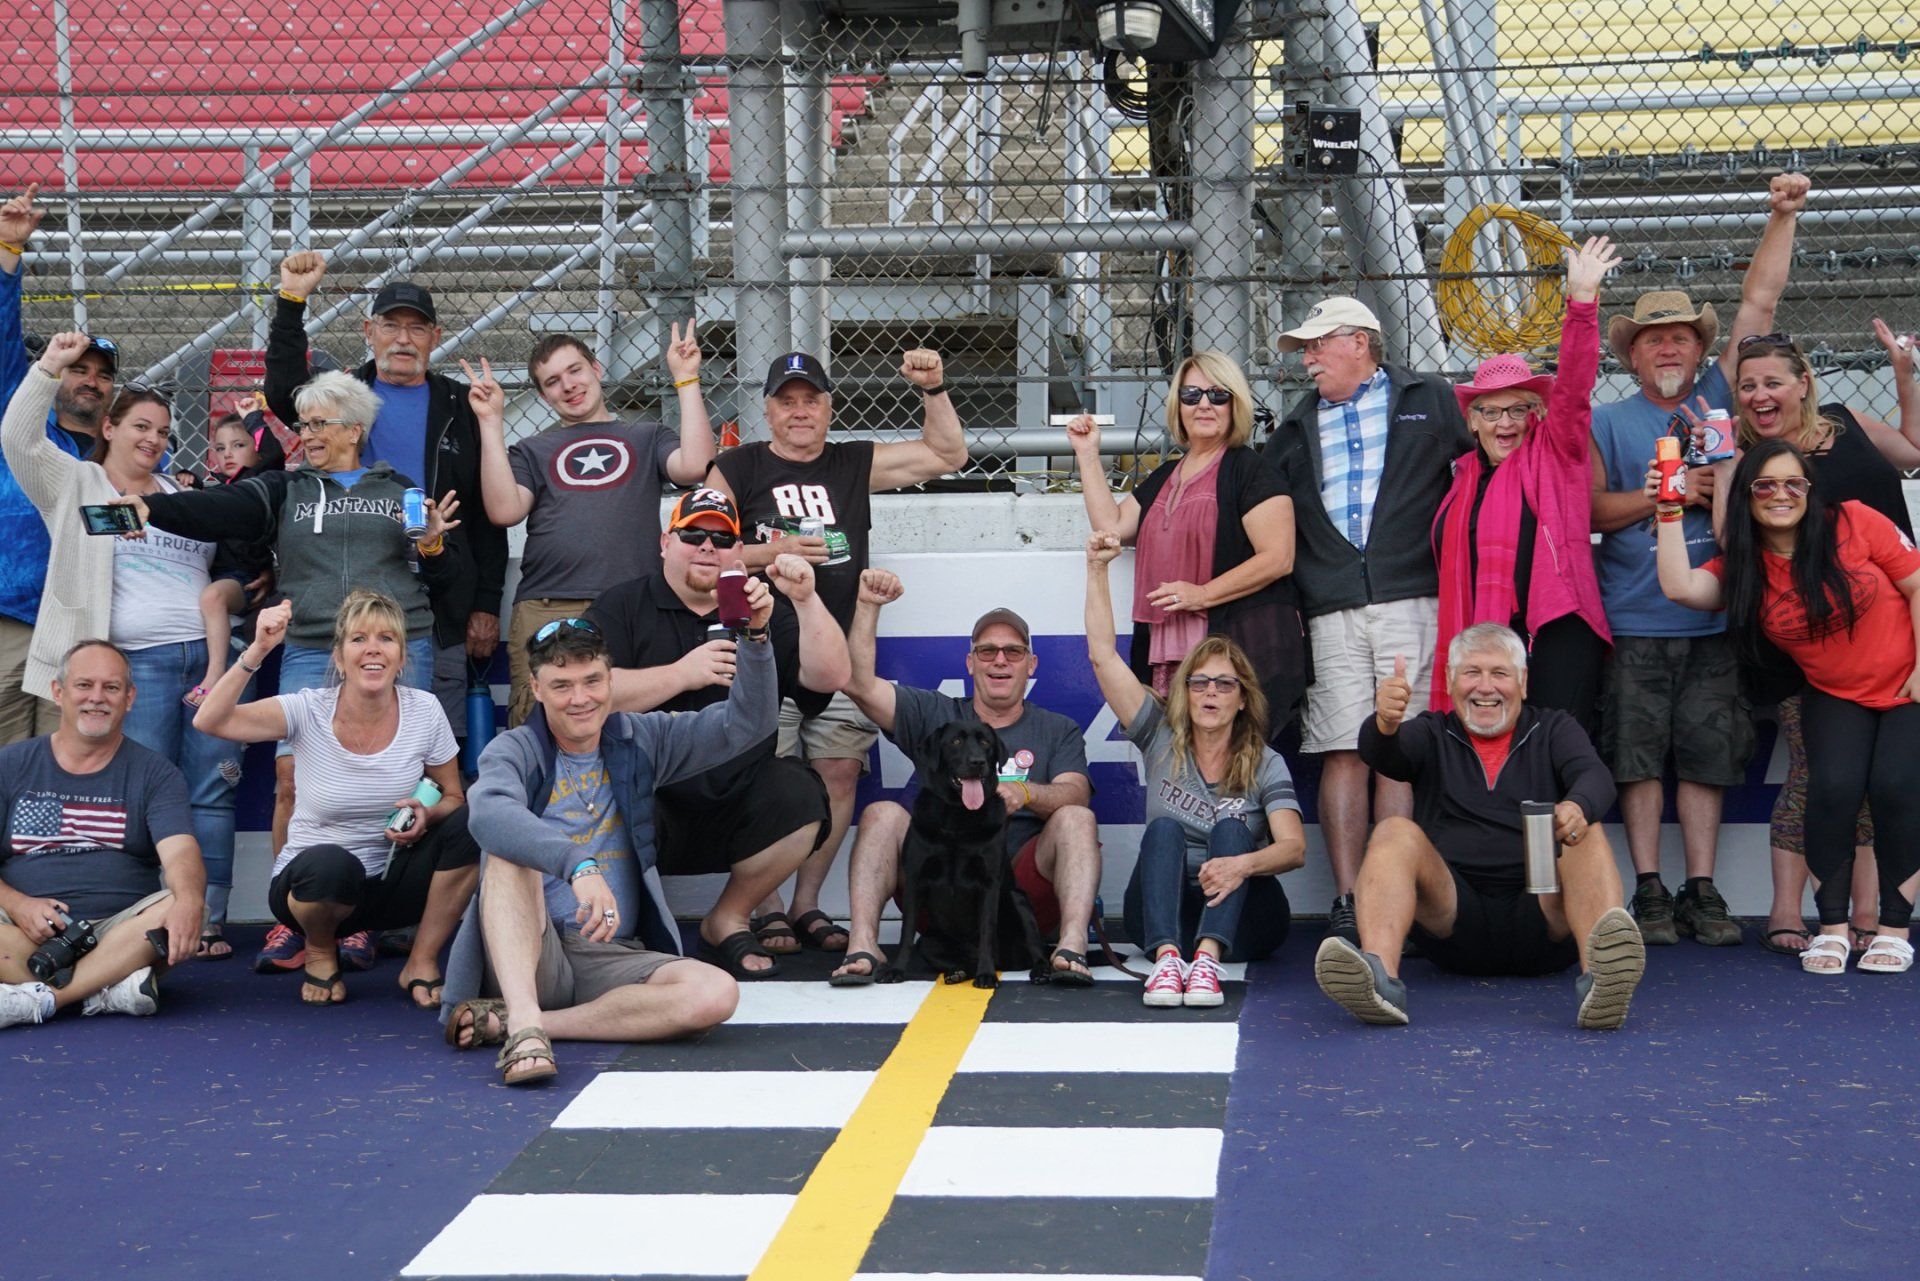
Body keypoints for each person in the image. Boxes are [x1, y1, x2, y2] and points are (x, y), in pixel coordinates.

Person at [126, 370, 463, 970]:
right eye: (303, 424)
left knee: (413, 778)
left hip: (397, 639)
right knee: (290, 783)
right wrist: (152, 507)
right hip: (312, 644)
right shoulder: (286, 487)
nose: (308, 434)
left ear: (355, 429)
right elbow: (219, 507)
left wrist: (433, 545)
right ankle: (299, 911)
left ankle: (364, 913)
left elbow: (442, 577)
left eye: (320, 424)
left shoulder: (401, 488)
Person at [1588, 172, 1810, 948]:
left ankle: (1704, 887)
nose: (1670, 346)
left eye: (1681, 335)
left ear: (1698, 346)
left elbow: (1760, 306)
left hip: (1716, 612)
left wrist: (1781, 215)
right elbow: (1591, 511)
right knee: (1639, 755)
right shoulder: (1607, 420)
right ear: (1633, 354)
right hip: (1635, 615)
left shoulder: (1719, 392)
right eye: (1655, 338)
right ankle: (1650, 886)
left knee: (1708, 756)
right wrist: (1664, 494)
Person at [441, 592, 782, 1085]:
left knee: (715, 994)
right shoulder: (512, 748)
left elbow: (748, 724)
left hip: (611, 954)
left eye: (592, 681)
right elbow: (489, 815)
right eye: (562, 686)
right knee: (509, 853)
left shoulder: (639, 738)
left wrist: (756, 638)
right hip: (532, 951)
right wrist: (578, 866)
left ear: (610, 680)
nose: (580, 699)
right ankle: (525, 1022)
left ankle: (527, 1022)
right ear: (535, 688)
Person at [707, 349, 969, 956]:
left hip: (840, 656)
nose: (800, 412)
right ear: (767, 411)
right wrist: (771, 551)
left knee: (839, 772)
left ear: (829, 408)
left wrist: (933, 388)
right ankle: (762, 906)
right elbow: (692, 550)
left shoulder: (852, 461)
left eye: (811, 400)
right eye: (786, 401)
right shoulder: (738, 466)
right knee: (765, 778)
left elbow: (948, 455)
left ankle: (805, 904)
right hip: (762, 653)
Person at [2, 332, 246, 961]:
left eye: (163, 431)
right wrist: (50, 367)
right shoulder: (75, 483)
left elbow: (226, 568)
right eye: (141, 426)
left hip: (206, 657)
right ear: (107, 427)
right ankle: (138, 921)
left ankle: (207, 921)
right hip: (134, 667)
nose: (153, 440)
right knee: (139, 797)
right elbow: (19, 442)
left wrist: (231, 596)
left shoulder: (183, 492)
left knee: (213, 788)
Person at [1653, 438, 1920, 976]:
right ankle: (1833, 931)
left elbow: (1918, 584)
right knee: (1833, 790)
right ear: (1748, 498)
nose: (1781, 494)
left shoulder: (1855, 522)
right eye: (1765, 485)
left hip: (1907, 684)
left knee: (1894, 787)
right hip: (1836, 693)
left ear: (1810, 490)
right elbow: (1681, 587)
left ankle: (1894, 929)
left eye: (1793, 483)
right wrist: (1668, 507)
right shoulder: (1746, 567)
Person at [1697, 327, 1920, 954]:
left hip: (1882, 627)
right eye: (1747, 387)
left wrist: (1904, 374)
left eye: (1772, 382)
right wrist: (1722, 465)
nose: (1760, 395)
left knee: (1881, 781)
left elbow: (1913, 450)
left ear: (1803, 384)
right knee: (1818, 778)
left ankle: (1870, 913)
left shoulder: (1845, 423)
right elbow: (1726, 547)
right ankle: (1790, 913)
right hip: (1796, 642)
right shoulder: (1742, 457)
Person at [1258, 295, 1471, 944]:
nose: (1308, 359)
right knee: (1341, 753)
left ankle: (1396, 891)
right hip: (1330, 609)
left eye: (1318, 345)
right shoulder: (1292, 430)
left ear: (1359, 341)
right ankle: (1351, 899)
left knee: (1401, 750)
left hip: (1414, 597)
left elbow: (1481, 472)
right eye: (1305, 349)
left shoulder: (1431, 398)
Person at [1314, 623, 1646, 1029]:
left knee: (1585, 831)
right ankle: (1380, 980)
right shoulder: (1432, 731)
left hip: (1545, 920)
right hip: (1452, 923)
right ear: (1451, 681)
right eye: (1471, 672)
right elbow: (1385, 755)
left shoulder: (1554, 727)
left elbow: (1596, 777)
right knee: (1392, 830)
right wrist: (1384, 722)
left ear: (1523, 683)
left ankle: (1601, 980)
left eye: (1500, 674)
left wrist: (1577, 806)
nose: (1485, 687)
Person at [585, 489, 849, 977]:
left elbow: (829, 678)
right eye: (693, 534)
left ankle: (727, 918)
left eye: (723, 539)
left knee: (800, 793)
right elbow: (584, 695)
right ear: (666, 542)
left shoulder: (761, 606)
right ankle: (623, 927)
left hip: (738, 797)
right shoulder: (622, 603)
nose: (707, 547)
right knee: (598, 799)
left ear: (738, 552)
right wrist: (682, 673)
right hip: (651, 796)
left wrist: (807, 600)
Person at [192, 591, 481, 1004]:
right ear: (339, 656)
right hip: (310, 887)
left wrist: (427, 815)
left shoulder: (425, 709)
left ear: (402, 657)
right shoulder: (306, 709)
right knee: (331, 865)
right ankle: (319, 948)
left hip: (388, 883)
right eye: (359, 639)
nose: (373, 650)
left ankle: (421, 960)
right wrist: (258, 649)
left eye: (387, 639)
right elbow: (209, 719)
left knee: (474, 822)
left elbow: (453, 797)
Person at [267, 252, 506, 743]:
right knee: (323, 748)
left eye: (417, 329)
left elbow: (485, 514)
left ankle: (426, 821)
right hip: (341, 600)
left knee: (434, 746)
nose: (403, 339)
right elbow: (283, 393)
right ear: (368, 331)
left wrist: (486, 603)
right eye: (390, 325)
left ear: (435, 338)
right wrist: (292, 302)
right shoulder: (342, 398)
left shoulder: (463, 405)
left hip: (437, 603)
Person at [828, 570, 1102, 986]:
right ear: (970, 661)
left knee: (1077, 817)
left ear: (1032, 664)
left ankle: (1070, 948)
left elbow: (1076, 792)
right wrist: (867, 606)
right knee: (882, 813)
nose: (1000, 660)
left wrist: (1023, 792)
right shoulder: (936, 714)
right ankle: (863, 944)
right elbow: (860, 685)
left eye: (1013, 652)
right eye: (987, 650)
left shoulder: (1056, 728)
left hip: (1018, 886)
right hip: (938, 887)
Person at [1085, 531, 1304, 1007]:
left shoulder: (1265, 760)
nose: (1210, 694)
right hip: (1162, 915)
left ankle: (1206, 961)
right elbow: (1103, 656)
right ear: (1184, 692)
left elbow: (1293, 849)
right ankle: (1167, 962)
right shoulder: (1159, 734)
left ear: (1243, 698)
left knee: (1232, 829)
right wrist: (1098, 570)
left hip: (1242, 918)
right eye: (1199, 683)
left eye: (1224, 685)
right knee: (1163, 830)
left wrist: (1240, 865)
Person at [466, 329, 715, 725]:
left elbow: (696, 466)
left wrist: (686, 379)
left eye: (575, 370)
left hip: (632, 606)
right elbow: (504, 509)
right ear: (543, 395)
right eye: (552, 382)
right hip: (548, 605)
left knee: (635, 725)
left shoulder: (646, 435)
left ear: (596, 369)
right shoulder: (532, 449)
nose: (568, 386)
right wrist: (490, 422)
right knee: (542, 728)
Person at [1430, 238, 1621, 739]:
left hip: (1556, 626)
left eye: (1519, 408)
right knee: (1492, 752)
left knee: (1558, 753)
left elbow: (1576, 387)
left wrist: (1581, 303)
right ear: (1472, 421)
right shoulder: (1462, 477)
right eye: (1490, 411)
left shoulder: (1556, 452)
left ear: (1537, 414)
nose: (1505, 422)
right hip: (1487, 636)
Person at [1067, 350, 1306, 734]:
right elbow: (1111, 525)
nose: (1204, 405)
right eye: (1192, 395)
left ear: (1236, 404)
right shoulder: (1165, 476)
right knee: (1175, 759)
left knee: (1233, 761)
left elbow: (1279, 557)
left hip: (1236, 653)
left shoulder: (1253, 471)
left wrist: (1202, 594)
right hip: (1168, 652)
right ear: (1178, 406)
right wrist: (1087, 454)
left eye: (1218, 394)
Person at [0, 640, 204, 1027]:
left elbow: (180, 853)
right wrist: (18, 905)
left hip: (120, 929)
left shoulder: (156, 772)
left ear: (129, 698)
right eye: (84, 686)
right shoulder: (9, 764)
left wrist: (190, 900)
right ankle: (109, 989)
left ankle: (45, 999)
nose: (97, 698)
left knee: (187, 903)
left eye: (111, 688)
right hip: (22, 928)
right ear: (58, 692)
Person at [0, 185, 117, 744]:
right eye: (79, 368)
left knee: (66, 767)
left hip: (82, 630)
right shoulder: (19, 429)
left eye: (102, 373)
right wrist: (6, 253)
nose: (89, 380)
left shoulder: (130, 459)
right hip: (10, 616)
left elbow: (154, 526)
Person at [187, 404, 280, 707]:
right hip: (222, 572)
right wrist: (190, 480)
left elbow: (273, 451)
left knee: (212, 597)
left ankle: (214, 677)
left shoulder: (260, 479)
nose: (228, 454)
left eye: (239, 446)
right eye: (220, 448)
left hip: (243, 578)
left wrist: (254, 417)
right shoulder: (218, 486)